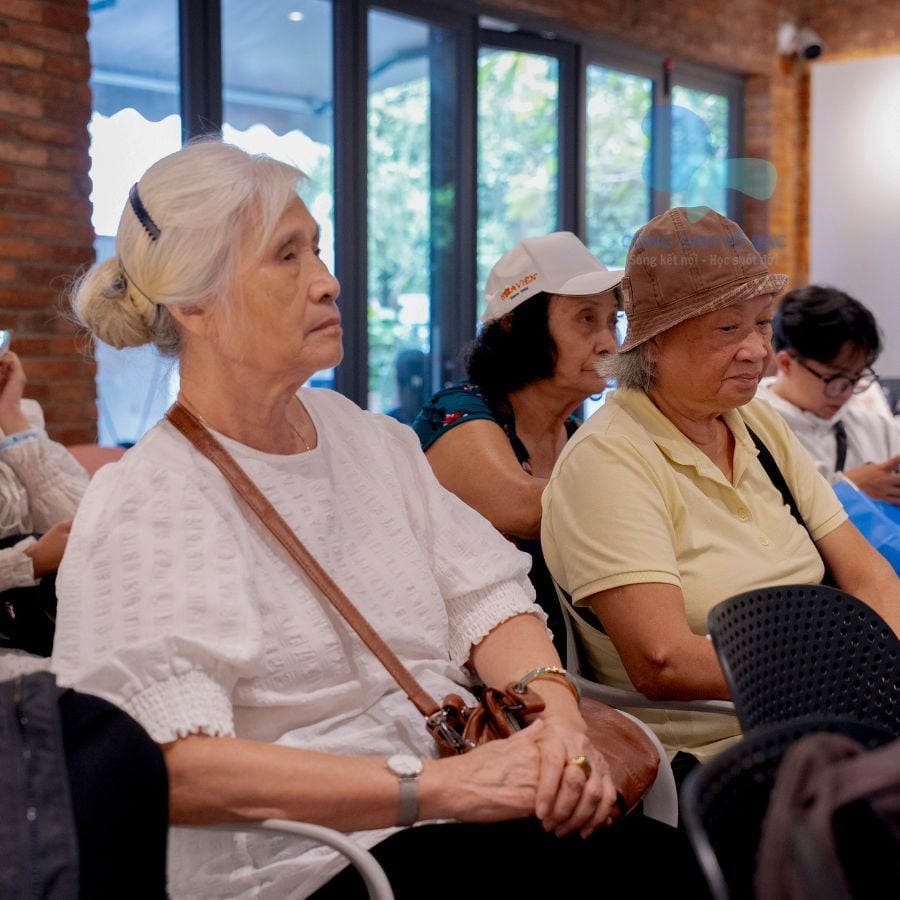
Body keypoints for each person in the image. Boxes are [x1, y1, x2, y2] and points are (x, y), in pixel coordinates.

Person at [51, 141, 704, 899]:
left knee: (704, 854)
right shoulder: (150, 501)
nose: (327, 281)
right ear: (194, 305)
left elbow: (489, 600)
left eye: (317, 249)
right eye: (286, 256)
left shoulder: (367, 439)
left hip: (466, 802)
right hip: (320, 860)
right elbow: (167, 763)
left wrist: (556, 722)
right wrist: (444, 789)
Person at [541, 207, 900, 776]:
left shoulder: (757, 423)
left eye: (762, 322)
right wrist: (842, 675)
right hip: (719, 754)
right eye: (727, 329)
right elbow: (663, 660)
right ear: (652, 343)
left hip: (829, 723)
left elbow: (870, 576)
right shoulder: (609, 459)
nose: (757, 350)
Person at [413, 233, 621, 652]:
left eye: (611, 321)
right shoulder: (458, 410)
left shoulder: (578, 435)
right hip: (471, 663)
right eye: (586, 319)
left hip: (562, 658)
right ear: (516, 326)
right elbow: (523, 509)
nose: (608, 343)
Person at [756, 285, 900, 504]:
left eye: (855, 378)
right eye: (834, 379)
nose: (846, 392)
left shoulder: (875, 428)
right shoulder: (750, 425)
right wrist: (848, 489)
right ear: (786, 363)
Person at [0, 350, 88, 659]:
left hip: (49, 638)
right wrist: (29, 562)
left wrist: (11, 415)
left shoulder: (19, 424)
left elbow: (82, 521)